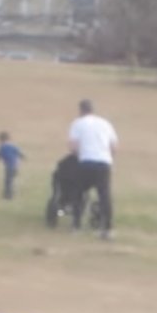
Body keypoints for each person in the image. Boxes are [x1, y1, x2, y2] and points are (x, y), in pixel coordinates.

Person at [67, 99, 118, 240]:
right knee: (104, 196)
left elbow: (73, 147)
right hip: (103, 162)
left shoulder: (77, 123)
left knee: (79, 193)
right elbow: (114, 146)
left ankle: (76, 224)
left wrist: (79, 156)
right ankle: (107, 228)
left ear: (81, 110)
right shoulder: (105, 123)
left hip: (86, 161)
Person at [0, 131, 25, 200]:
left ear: (1, 139)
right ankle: (9, 194)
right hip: (15, 166)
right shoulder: (12, 146)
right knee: (11, 181)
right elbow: (19, 153)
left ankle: (8, 196)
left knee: (8, 181)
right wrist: (23, 158)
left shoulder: (2, 147)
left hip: (9, 167)